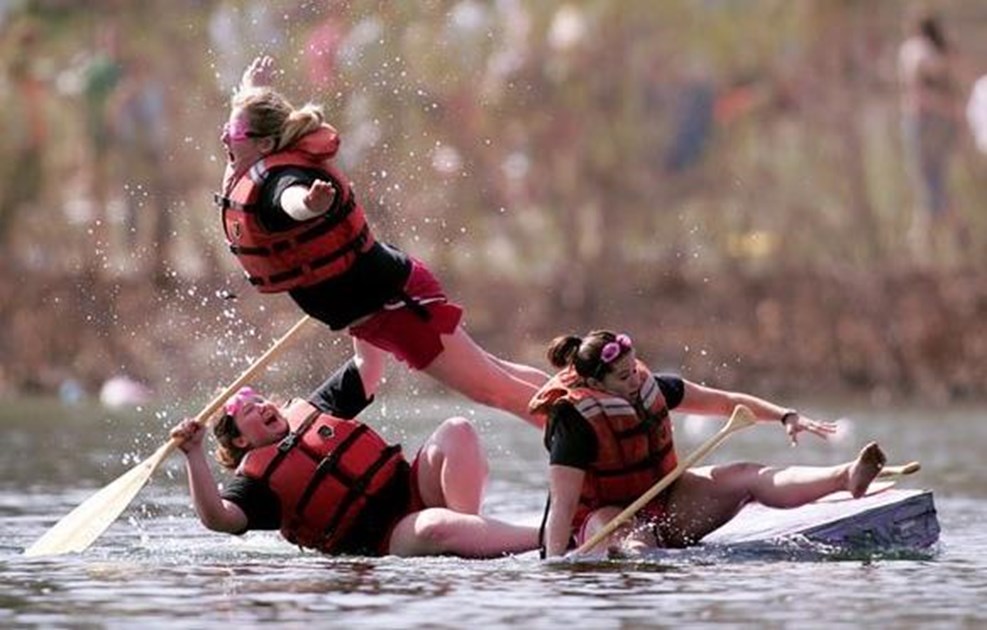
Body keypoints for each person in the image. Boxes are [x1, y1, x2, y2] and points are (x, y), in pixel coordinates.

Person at [215, 55, 547, 427]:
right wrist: (251, 91)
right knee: (493, 374)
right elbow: (251, 128)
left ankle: (587, 443)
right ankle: (587, 408)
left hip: (395, 306)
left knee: (493, 389)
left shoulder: (278, 182)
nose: (225, 135)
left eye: (235, 131)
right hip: (375, 305)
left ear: (266, 145)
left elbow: (289, 201)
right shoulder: (254, 160)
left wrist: (310, 205)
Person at [530, 330, 892, 558]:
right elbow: (562, 507)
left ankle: (846, 477)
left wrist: (785, 415)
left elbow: (723, 402)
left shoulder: (648, 386)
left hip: (665, 502)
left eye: (633, 370)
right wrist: (555, 565)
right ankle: (650, 568)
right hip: (601, 522)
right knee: (636, 540)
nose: (635, 382)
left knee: (746, 475)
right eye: (623, 377)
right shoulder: (573, 421)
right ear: (597, 382)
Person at [169, 338, 539, 558]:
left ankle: (474, 541)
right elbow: (218, 519)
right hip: (384, 538)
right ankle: (554, 535)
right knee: (434, 528)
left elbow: (368, 364)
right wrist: (193, 454)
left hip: (413, 489)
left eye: (263, 401)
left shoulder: (313, 410)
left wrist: (360, 309)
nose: (265, 407)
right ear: (240, 440)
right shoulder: (255, 483)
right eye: (252, 411)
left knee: (457, 431)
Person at [897, 8, 968, 259]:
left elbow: (919, 88)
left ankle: (925, 245)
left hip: (923, 122)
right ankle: (929, 242)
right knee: (932, 184)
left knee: (928, 185)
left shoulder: (915, 49)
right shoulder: (940, 52)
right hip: (941, 122)